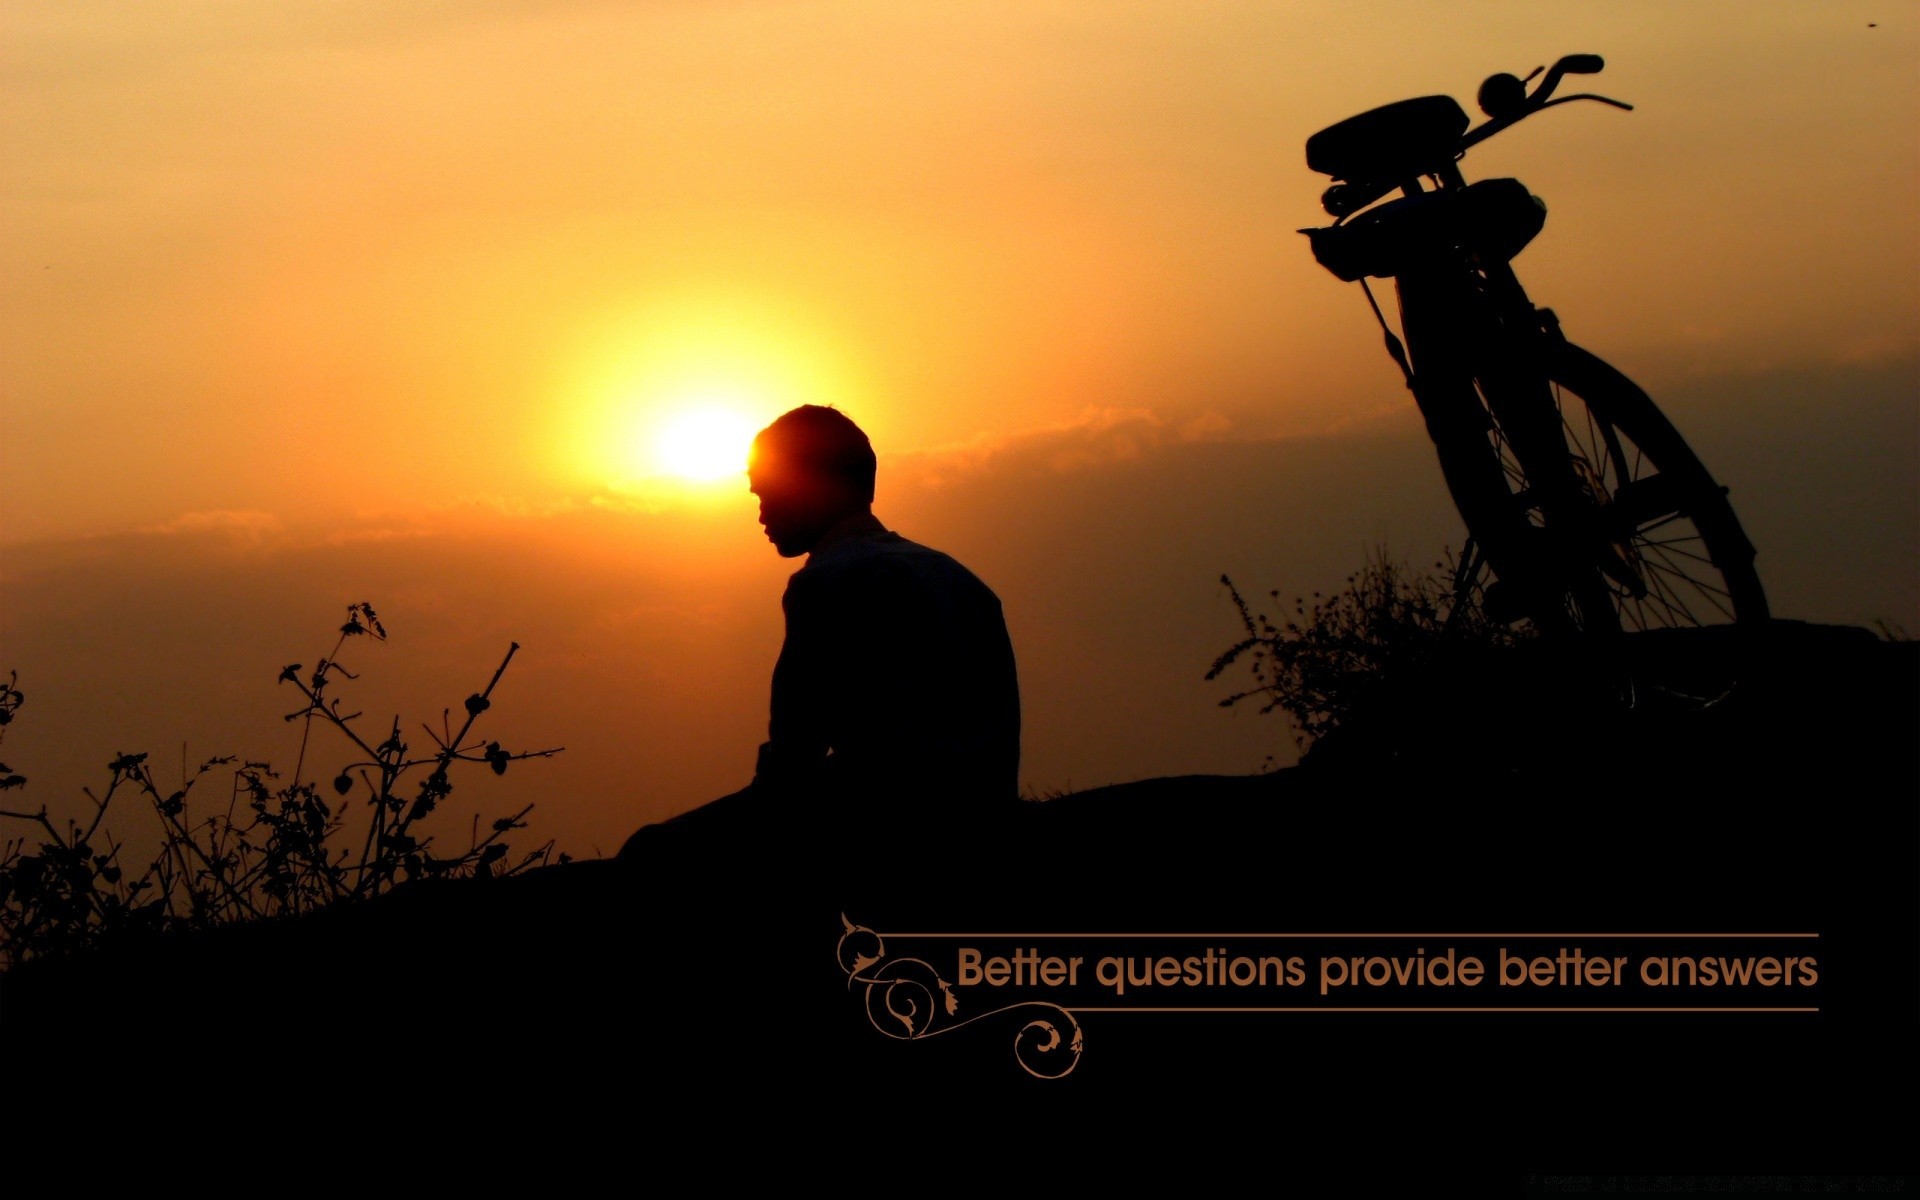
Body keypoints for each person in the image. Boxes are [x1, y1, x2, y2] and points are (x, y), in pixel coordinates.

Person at [619, 404, 1021, 860]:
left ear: (809, 486)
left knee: (649, 852)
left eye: (767, 493)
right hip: (983, 814)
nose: (761, 514)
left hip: (891, 826)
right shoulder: (960, 579)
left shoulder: (827, 583)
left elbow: (795, 760)